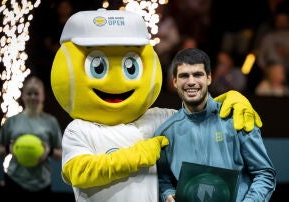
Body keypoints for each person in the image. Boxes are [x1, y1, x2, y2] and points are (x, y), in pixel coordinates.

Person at [51, 9, 263, 202]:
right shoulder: (79, 129)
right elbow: (77, 172)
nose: (117, 82)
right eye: (98, 67)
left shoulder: (157, 119)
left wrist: (230, 100)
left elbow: (198, 115)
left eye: (130, 66)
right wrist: (134, 156)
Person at [154, 48, 276, 202]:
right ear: (175, 82)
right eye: (184, 76)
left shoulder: (237, 118)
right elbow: (163, 180)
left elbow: (264, 173)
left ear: (209, 78)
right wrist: (167, 194)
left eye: (198, 74)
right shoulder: (166, 133)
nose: (191, 81)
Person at [0, 75, 63, 197]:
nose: (33, 97)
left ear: (43, 96)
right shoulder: (12, 121)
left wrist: (48, 151)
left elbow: (61, 154)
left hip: (42, 183)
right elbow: (0, 151)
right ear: (23, 96)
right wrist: (9, 149)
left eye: (36, 93)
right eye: (29, 93)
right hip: (14, 180)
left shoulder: (51, 122)